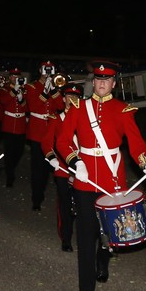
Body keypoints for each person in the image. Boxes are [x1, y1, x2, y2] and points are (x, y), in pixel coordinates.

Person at [55, 61, 146, 291]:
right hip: (84, 181)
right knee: (86, 235)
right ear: (93, 82)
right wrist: (75, 161)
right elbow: (62, 141)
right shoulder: (79, 107)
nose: (102, 83)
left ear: (113, 83)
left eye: (107, 80)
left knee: (109, 232)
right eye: (98, 79)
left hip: (112, 181)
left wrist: (145, 163)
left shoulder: (122, 110)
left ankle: (103, 260)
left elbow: (136, 143)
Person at [42, 83, 80, 251]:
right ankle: (66, 238)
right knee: (65, 205)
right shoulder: (56, 119)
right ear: (63, 99)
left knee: (82, 204)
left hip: (83, 169)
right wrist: (51, 157)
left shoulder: (85, 118)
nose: (72, 99)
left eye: (75, 97)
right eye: (69, 96)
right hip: (63, 169)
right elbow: (46, 142)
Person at [25, 61, 58, 211]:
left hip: (51, 131)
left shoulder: (56, 86)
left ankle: (43, 190)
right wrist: (45, 91)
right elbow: (33, 107)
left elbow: (61, 106)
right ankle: (36, 199)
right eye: (46, 69)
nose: (48, 72)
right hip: (37, 132)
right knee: (37, 168)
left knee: (47, 167)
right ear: (40, 70)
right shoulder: (32, 87)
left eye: (51, 69)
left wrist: (54, 90)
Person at [0, 69, 28, 187]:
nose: (15, 78)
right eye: (13, 76)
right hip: (9, 124)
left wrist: (21, 99)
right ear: (9, 77)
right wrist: (14, 90)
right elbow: (3, 101)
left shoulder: (25, 89)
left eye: (17, 76)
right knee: (9, 151)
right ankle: (10, 176)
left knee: (19, 151)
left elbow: (28, 107)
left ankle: (10, 168)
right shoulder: (4, 88)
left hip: (20, 125)